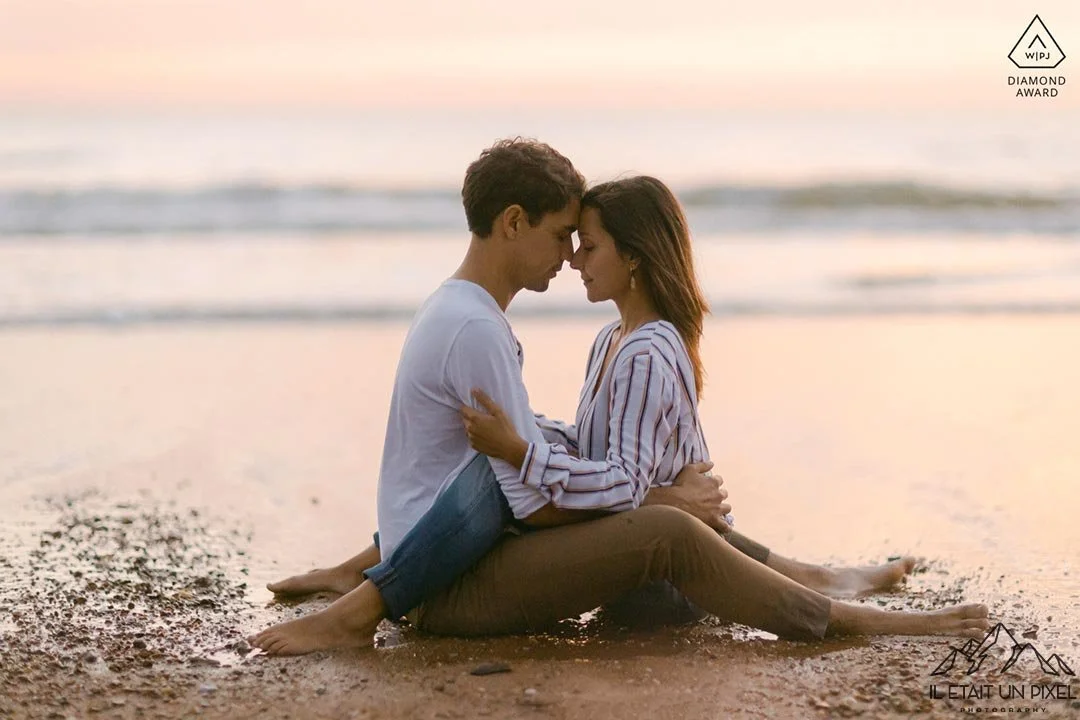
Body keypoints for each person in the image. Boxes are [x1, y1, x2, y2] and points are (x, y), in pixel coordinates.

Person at [249, 143, 988, 656]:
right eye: (563, 234)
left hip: (450, 560)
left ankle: (822, 580)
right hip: (447, 584)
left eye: (584, 242)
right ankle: (844, 612)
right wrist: (661, 497)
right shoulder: (479, 330)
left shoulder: (463, 313)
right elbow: (524, 498)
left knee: (617, 487)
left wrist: (634, 484)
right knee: (663, 526)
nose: (569, 255)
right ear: (513, 222)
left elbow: (528, 473)